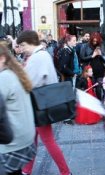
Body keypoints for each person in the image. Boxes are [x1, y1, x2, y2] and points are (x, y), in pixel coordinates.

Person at [16, 30, 71, 175]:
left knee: (48, 141)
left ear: (31, 42)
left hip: (38, 106)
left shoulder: (37, 58)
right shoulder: (42, 54)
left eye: (23, 45)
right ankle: (26, 170)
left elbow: (28, 83)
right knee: (33, 141)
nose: (21, 48)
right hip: (40, 104)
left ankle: (66, 172)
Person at [0, 44, 36, 175]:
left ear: (2, 58)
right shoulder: (14, 73)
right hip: (25, 139)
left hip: (12, 144)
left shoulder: (4, 78)